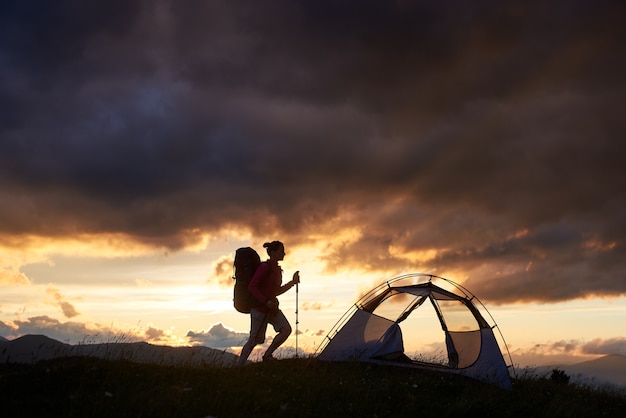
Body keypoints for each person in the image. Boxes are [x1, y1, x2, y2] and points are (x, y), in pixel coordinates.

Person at [238, 240, 300, 364]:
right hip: (260, 309)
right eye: (281, 251)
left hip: (271, 308)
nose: (284, 253)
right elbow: (252, 286)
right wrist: (265, 301)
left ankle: (267, 355)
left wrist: (292, 283)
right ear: (272, 252)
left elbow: (276, 291)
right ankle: (239, 365)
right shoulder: (264, 267)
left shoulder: (276, 270)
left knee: (286, 329)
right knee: (254, 340)